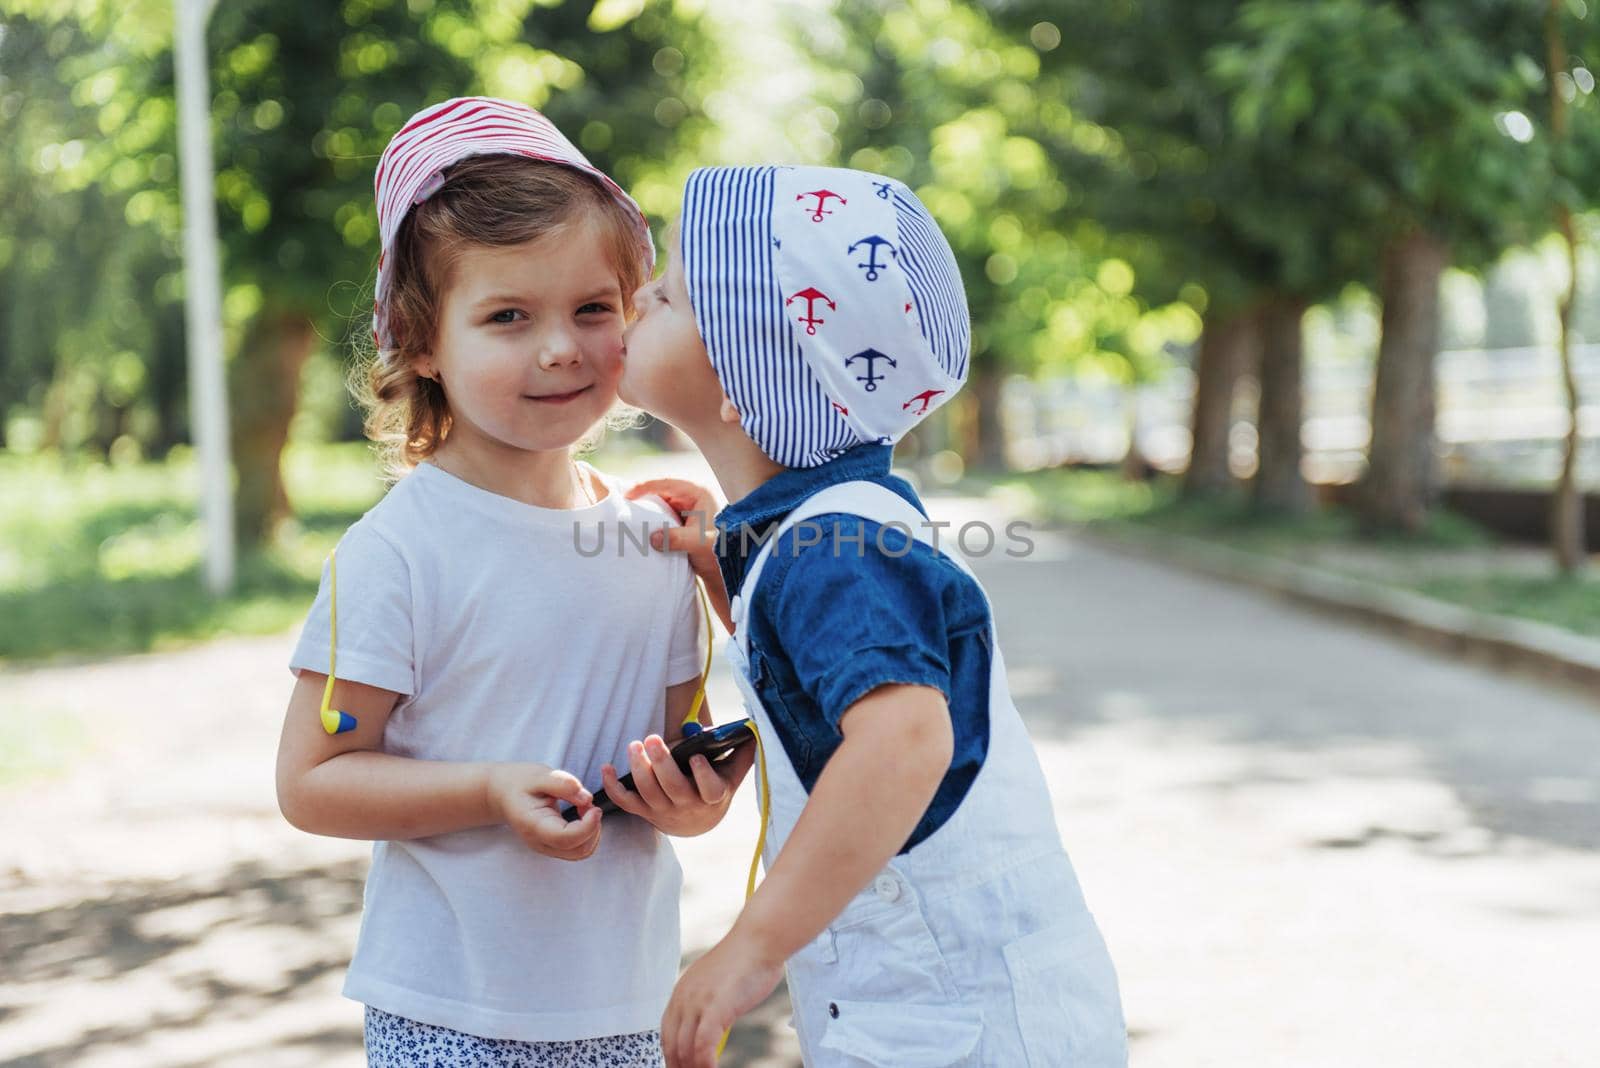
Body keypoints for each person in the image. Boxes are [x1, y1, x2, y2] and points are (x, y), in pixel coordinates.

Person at [274, 98, 752, 1067]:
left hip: (627, 1006)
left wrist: (692, 801)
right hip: (448, 1011)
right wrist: (491, 791)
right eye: (506, 317)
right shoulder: (398, 551)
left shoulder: (654, 542)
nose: (560, 348)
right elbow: (312, 782)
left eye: (593, 309)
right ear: (418, 340)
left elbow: (683, 778)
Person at [618, 165, 1128, 1067]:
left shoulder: (836, 554)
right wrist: (721, 568)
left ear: (748, 377)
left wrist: (751, 948)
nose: (637, 299)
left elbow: (902, 742)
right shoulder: (837, 526)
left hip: (953, 1023)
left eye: (666, 296)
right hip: (966, 1004)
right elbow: (823, 667)